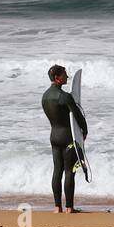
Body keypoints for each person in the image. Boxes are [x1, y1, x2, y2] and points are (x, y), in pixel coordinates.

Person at [41, 64, 87, 213]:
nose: (67, 77)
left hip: (54, 136)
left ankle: (57, 207)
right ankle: (69, 207)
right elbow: (77, 115)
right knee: (69, 172)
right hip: (68, 138)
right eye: (64, 74)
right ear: (57, 78)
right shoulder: (65, 97)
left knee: (57, 171)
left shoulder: (45, 96)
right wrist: (84, 131)